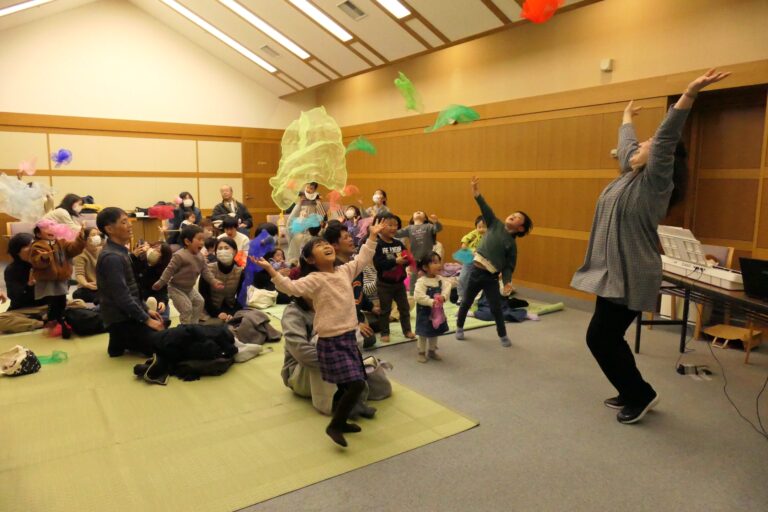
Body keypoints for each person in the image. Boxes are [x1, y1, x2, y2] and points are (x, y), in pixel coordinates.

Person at [571, 68, 730, 425]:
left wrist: (688, 96)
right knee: (605, 337)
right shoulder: (629, 174)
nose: (640, 146)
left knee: (600, 338)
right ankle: (632, 391)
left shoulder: (656, 182)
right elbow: (629, 146)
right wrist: (626, 118)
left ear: (663, 156)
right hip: (611, 270)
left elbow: (664, 138)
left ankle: (641, 394)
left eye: (648, 145)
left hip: (632, 270)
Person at [253, 220, 384, 448]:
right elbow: (290, 287)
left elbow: (363, 259)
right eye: (318, 245)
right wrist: (271, 270)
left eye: (325, 243)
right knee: (354, 383)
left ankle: (342, 419)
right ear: (311, 260)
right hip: (331, 341)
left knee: (355, 381)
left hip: (347, 336)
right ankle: (335, 424)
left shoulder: (345, 270)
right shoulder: (315, 279)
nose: (325, 245)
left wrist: (372, 237)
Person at [455, 177, 532, 348]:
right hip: (475, 271)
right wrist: (476, 193)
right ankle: (459, 327)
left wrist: (507, 283)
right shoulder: (494, 223)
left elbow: (508, 267)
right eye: (513, 213)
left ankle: (502, 335)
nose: (513, 215)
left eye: (518, 217)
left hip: (490, 277)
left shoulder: (511, 244)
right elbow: (485, 207)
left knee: (496, 307)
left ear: (520, 228)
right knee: (466, 301)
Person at [96, 207, 165, 356]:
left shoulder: (121, 251)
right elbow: (122, 297)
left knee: (163, 323)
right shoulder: (112, 257)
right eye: (124, 222)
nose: (130, 225)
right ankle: (122, 338)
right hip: (121, 319)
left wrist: (146, 310)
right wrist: (146, 319)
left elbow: (133, 290)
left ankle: (120, 342)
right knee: (164, 345)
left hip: (127, 315)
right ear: (109, 229)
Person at [153, 225, 224, 325]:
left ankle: (193, 326)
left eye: (203, 239)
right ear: (187, 241)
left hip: (189, 289)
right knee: (187, 308)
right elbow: (169, 270)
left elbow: (206, 271)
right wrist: (161, 282)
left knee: (199, 302)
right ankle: (185, 329)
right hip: (176, 288)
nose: (202, 242)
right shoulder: (179, 255)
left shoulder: (201, 257)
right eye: (199, 239)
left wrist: (214, 281)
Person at [323, 222, 377, 349]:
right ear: (334, 245)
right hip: (341, 320)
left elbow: (359, 293)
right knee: (369, 338)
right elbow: (333, 306)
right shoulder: (333, 270)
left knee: (384, 317)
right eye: (346, 237)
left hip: (356, 312)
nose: (351, 239)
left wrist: (372, 307)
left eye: (350, 236)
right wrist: (357, 324)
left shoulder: (354, 264)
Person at [30, 221, 86, 338]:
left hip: (61, 279)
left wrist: (81, 237)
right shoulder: (37, 245)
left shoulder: (62, 243)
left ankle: (60, 321)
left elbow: (73, 249)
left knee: (61, 300)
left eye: (53, 228)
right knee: (52, 302)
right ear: (39, 234)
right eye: (46, 229)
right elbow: (36, 261)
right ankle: (52, 322)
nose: (51, 230)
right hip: (47, 280)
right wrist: (44, 257)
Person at [373, 213, 415, 344]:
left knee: (404, 308)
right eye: (389, 225)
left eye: (396, 225)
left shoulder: (398, 243)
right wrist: (395, 261)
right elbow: (379, 264)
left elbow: (407, 258)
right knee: (385, 309)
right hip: (384, 284)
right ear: (379, 226)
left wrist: (410, 261)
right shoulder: (378, 244)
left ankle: (407, 330)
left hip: (399, 283)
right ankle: (385, 332)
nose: (393, 228)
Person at [397, 211, 443, 294]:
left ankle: (432, 291)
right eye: (416, 212)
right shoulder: (409, 228)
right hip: (415, 257)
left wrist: (436, 222)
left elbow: (438, 229)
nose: (418, 212)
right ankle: (412, 293)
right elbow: (396, 234)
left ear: (425, 218)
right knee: (413, 276)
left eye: (421, 212)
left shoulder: (429, 226)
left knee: (430, 275)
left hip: (427, 257)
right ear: (412, 217)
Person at [199, 237, 244, 323]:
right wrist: (216, 313)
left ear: (235, 251)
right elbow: (203, 295)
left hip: (231, 308)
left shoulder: (240, 272)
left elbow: (241, 297)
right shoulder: (207, 269)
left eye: (226, 248)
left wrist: (233, 313)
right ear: (216, 252)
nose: (223, 251)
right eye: (220, 248)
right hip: (209, 309)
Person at [130, 241, 172, 325]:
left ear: (162, 257)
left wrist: (162, 301)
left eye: (158, 250)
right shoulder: (139, 261)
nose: (153, 250)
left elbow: (163, 289)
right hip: (139, 297)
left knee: (163, 310)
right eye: (154, 247)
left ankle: (157, 321)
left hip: (154, 297)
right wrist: (133, 256)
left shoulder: (162, 271)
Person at [3, 233, 45, 311]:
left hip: (47, 307)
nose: (33, 248)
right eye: (27, 246)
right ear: (16, 251)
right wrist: (29, 285)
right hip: (23, 309)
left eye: (34, 244)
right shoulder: (12, 270)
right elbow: (16, 298)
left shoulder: (45, 264)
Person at [457, 216, 487, 303]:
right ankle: (461, 296)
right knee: (463, 277)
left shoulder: (491, 236)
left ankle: (477, 298)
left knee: (479, 280)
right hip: (470, 257)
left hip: (482, 261)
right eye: (479, 227)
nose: (481, 229)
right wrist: (464, 244)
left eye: (484, 227)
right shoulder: (474, 233)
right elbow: (466, 238)